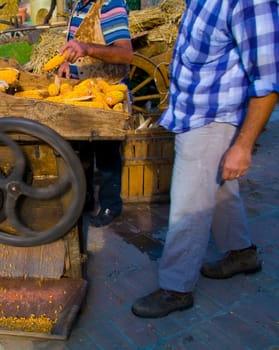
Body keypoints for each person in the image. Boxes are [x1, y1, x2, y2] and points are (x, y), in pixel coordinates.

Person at [132, 0, 279, 318]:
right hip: (192, 113)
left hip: (213, 120)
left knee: (188, 207)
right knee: (220, 190)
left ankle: (176, 287)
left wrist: (243, 146)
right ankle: (242, 253)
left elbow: (268, 81)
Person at [57, 0, 134, 226]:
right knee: (82, 152)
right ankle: (86, 201)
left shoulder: (110, 5)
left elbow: (126, 54)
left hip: (105, 94)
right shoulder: (78, 6)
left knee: (107, 155)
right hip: (82, 92)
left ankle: (111, 205)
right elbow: (76, 47)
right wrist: (66, 66)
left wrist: (87, 48)